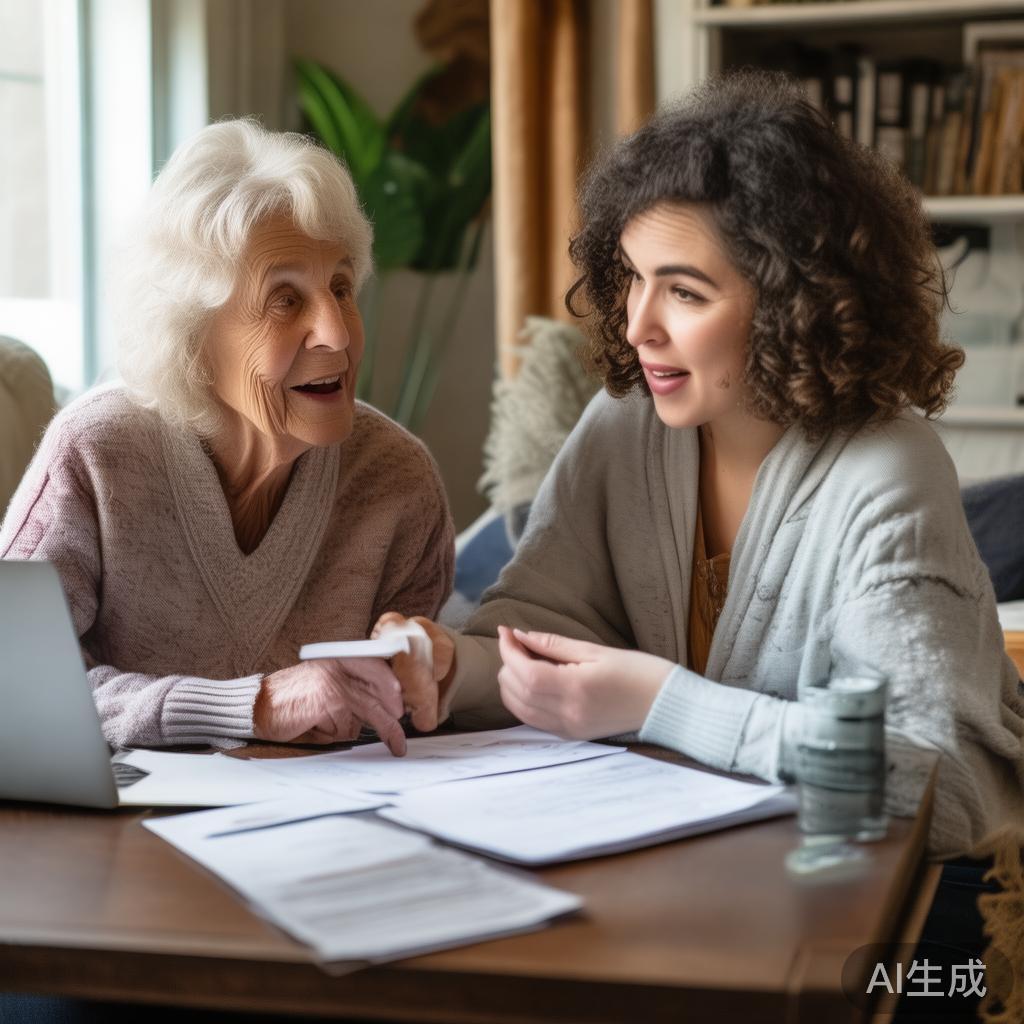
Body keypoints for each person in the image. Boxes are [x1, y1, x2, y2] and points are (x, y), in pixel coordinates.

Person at [378, 71, 1024, 858]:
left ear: (796, 299)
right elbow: (538, 638)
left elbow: (941, 783)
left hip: (881, 906)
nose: (639, 325)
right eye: (633, 279)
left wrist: (662, 703)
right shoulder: (622, 426)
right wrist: (449, 667)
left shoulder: (887, 466)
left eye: (684, 292)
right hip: (698, 879)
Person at [0, 119, 453, 755]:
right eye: (285, 300)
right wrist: (251, 706)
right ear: (192, 332)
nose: (337, 334)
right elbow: (11, 689)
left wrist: (427, 677)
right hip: (122, 839)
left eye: (342, 288)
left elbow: (409, 724)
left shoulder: (396, 480)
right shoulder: (98, 454)